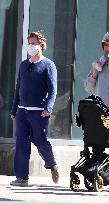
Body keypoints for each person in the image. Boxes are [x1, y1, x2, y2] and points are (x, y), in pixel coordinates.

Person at [10, 31, 59, 186]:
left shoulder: (48, 65)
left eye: (33, 43)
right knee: (21, 143)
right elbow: (18, 88)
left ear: (41, 46)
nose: (31, 46)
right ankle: (22, 177)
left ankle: (52, 165)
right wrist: (13, 110)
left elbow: (53, 90)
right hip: (22, 111)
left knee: (40, 141)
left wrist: (48, 108)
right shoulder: (24, 65)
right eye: (29, 43)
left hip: (39, 112)